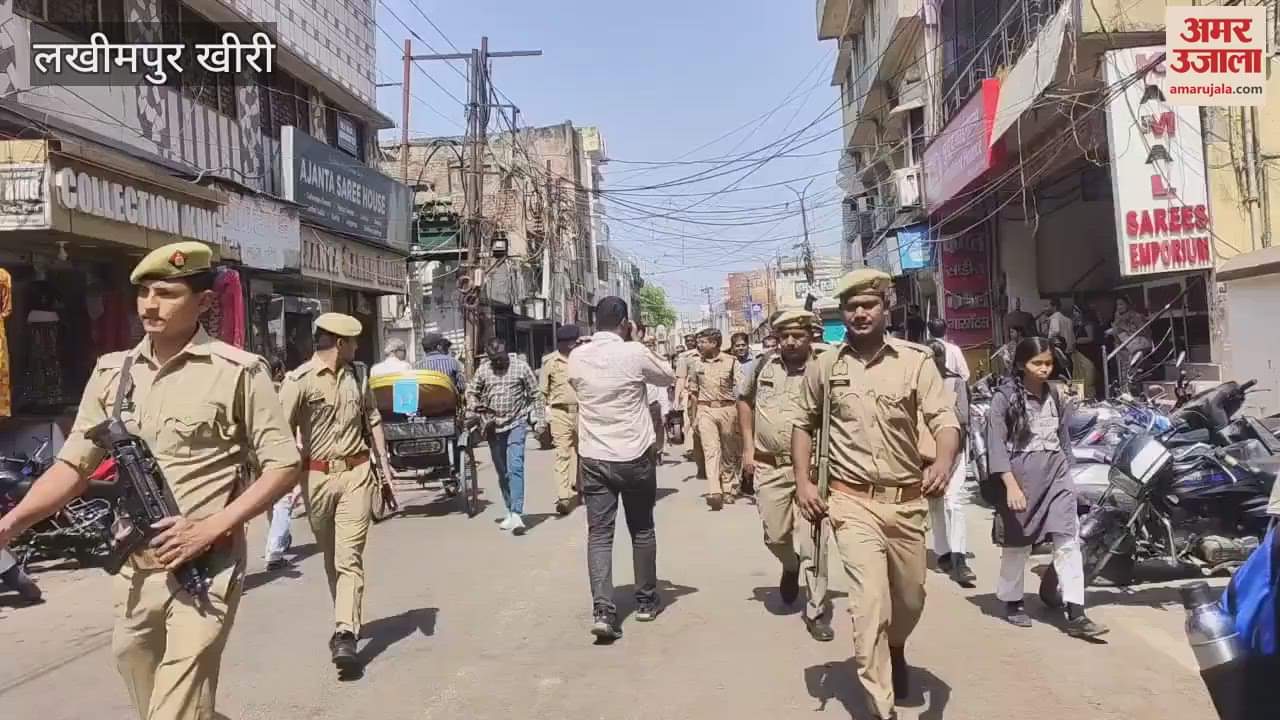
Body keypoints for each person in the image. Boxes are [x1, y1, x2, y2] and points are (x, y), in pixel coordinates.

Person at [0, 241, 301, 720]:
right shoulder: (112, 373)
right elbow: (73, 466)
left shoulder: (239, 372)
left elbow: (284, 464)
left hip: (206, 566)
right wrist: (10, 525)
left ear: (203, 302)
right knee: (138, 672)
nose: (149, 305)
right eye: (143, 292)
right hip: (135, 569)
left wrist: (211, 525)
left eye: (166, 293)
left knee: (174, 708)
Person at [791, 268, 961, 720]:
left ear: (885, 309)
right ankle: (881, 705)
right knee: (867, 607)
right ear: (842, 314)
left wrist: (943, 463)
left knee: (909, 600)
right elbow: (803, 424)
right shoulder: (825, 365)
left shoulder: (916, 360)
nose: (861, 313)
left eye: (869, 305)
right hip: (850, 502)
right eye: (852, 307)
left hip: (906, 503)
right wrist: (805, 482)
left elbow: (945, 420)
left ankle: (898, 646)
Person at [279, 312, 390, 672]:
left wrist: (385, 473)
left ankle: (345, 633)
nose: (358, 347)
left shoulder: (359, 375)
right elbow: (278, 435)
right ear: (339, 344)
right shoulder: (298, 381)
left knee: (349, 557)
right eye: (353, 342)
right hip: (317, 479)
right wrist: (284, 482)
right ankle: (345, 617)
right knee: (332, 559)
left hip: (358, 473)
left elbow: (372, 418)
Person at [985, 337, 1108, 639]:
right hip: (1021, 476)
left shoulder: (1055, 394)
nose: (1043, 369)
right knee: (1019, 543)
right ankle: (1012, 601)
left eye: (1048, 363)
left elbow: (1062, 436)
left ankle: (1076, 611)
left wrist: (1069, 473)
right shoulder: (1004, 398)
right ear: (1020, 365)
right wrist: (1010, 485)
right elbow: (995, 446)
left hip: (1056, 473)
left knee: (1068, 538)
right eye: (1036, 363)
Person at [568, 297, 675, 640]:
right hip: (635, 456)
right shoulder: (634, 352)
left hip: (595, 457)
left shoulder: (577, 356)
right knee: (641, 529)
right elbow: (667, 375)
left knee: (599, 535)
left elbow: (575, 387)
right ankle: (645, 602)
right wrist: (636, 344)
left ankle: (603, 610)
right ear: (626, 322)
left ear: (594, 322)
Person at [737, 309, 833, 641]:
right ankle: (789, 566)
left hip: (813, 469)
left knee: (813, 542)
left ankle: (817, 609)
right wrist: (748, 446)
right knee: (775, 536)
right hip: (769, 465)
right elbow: (744, 401)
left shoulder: (827, 366)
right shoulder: (763, 366)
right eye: (785, 336)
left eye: (799, 335)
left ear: (811, 336)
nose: (791, 342)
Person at [467, 338, 545, 535]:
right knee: (502, 471)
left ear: (506, 352)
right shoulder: (484, 370)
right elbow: (471, 392)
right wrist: (474, 404)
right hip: (493, 426)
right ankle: (510, 509)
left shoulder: (521, 367)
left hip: (516, 423)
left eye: (501, 358)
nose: (498, 363)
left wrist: (540, 420)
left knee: (515, 466)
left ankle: (518, 513)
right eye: (494, 359)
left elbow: (536, 394)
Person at [925, 340, 977, 588]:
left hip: (955, 450)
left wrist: (957, 455)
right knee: (935, 502)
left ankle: (959, 558)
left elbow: (964, 422)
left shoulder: (956, 382)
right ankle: (943, 552)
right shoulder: (916, 384)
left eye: (938, 356)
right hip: (926, 454)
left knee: (953, 502)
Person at [689, 328, 744, 510]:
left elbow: (741, 387)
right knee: (711, 450)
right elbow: (694, 393)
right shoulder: (696, 364)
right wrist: (694, 417)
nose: (699, 345)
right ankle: (715, 491)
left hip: (728, 409)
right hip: (705, 410)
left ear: (714, 343)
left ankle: (729, 487)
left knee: (729, 451)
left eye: (703, 342)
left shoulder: (731, 362)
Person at [263, 355, 299, 571]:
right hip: (279, 450)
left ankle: (280, 540)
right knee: (284, 502)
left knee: (270, 499)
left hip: (256, 453)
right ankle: (275, 552)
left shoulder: (253, 391)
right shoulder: (281, 391)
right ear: (277, 372)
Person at [540, 325, 580, 516]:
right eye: (570, 342)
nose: (573, 345)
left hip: (582, 412)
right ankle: (564, 497)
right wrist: (542, 418)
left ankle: (580, 486)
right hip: (559, 413)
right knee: (562, 453)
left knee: (585, 452)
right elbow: (542, 392)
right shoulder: (550, 362)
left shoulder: (581, 359)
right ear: (562, 343)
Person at [673, 333, 706, 479]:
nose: (699, 343)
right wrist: (676, 398)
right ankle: (699, 462)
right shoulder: (685, 357)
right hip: (691, 396)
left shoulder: (718, 355)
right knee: (693, 429)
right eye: (697, 341)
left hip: (712, 398)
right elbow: (681, 379)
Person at [1109, 295, 1151, 391]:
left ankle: (1135, 392)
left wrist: (1124, 328)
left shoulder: (1136, 316)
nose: (1119, 307)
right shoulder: (1117, 317)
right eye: (1117, 305)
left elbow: (1144, 331)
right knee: (1123, 373)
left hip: (1134, 347)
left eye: (1121, 304)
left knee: (1132, 372)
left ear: (1128, 305)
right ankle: (1125, 392)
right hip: (1121, 349)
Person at [642, 334, 671, 458]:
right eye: (646, 344)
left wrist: (664, 410)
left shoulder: (658, 361)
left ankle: (658, 451)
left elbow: (662, 388)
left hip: (654, 403)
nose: (649, 346)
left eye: (651, 344)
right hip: (640, 405)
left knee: (658, 429)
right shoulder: (636, 359)